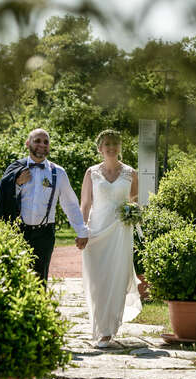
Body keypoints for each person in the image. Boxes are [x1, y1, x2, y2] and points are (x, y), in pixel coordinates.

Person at [0, 128, 88, 282]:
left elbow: (70, 203)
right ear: (27, 143)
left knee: (39, 279)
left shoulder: (58, 172)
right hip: (17, 232)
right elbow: (2, 197)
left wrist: (81, 231)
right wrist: (16, 183)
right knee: (14, 277)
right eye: (37, 141)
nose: (42, 145)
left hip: (44, 234)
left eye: (45, 142)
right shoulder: (15, 169)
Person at [79, 129, 142, 348]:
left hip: (120, 233)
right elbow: (85, 204)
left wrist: (134, 212)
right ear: (100, 148)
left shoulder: (131, 173)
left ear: (120, 147)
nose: (111, 147)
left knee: (117, 279)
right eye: (107, 144)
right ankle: (99, 326)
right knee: (97, 282)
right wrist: (82, 230)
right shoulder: (91, 172)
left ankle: (108, 331)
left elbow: (134, 202)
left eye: (115, 143)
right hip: (96, 233)